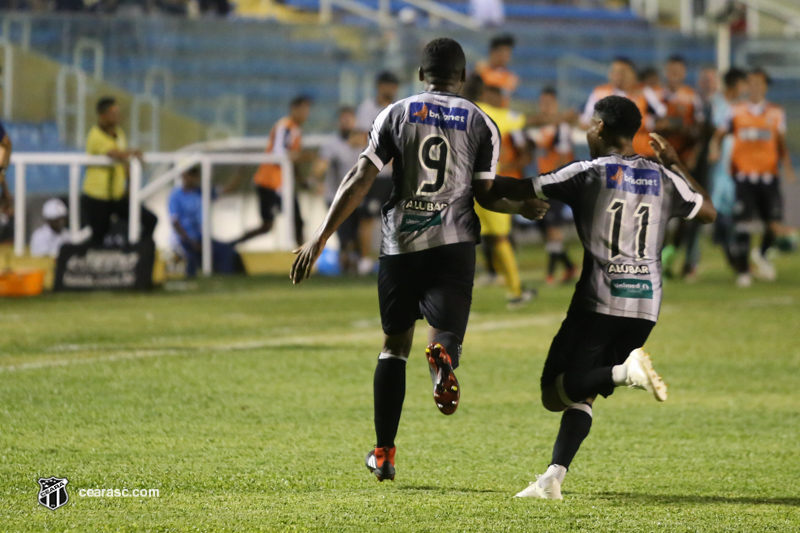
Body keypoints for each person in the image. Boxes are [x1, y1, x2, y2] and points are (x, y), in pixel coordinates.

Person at [290, 38, 548, 482]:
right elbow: (485, 194)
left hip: (400, 246)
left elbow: (360, 178)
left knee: (393, 347)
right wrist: (520, 205)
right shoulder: (481, 121)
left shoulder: (396, 113)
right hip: (454, 244)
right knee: (444, 333)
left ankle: (384, 452)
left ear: (420, 75)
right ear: (463, 77)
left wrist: (319, 237)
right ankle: (443, 355)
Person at [486, 96, 716, 500]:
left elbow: (519, 187)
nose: (587, 131)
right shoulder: (663, 177)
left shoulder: (588, 172)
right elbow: (708, 211)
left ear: (602, 130)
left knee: (554, 391)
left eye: (591, 125)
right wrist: (676, 161)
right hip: (646, 306)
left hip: (599, 302)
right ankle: (552, 477)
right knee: (585, 390)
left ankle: (625, 373)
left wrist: (476, 179)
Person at [711, 68, 796, 286]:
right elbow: (720, 134)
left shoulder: (776, 113)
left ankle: (762, 253)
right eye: (752, 82)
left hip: (769, 176)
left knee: (774, 224)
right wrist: (715, 149)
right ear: (747, 86)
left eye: (760, 83)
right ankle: (743, 271)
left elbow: (780, 143)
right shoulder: (735, 111)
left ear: (765, 87)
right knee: (743, 225)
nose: (756, 86)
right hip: (744, 176)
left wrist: (787, 166)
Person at [464, 74, 535, 308]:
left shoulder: (454, 111)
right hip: (489, 184)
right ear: (483, 92)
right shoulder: (495, 114)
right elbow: (526, 120)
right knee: (500, 238)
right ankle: (515, 292)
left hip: (461, 184)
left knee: (467, 238)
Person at [236, 95, 313, 247]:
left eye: (308, 110)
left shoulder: (296, 130)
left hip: (281, 183)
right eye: (303, 109)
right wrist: (303, 157)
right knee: (270, 225)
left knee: (294, 221)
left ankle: (304, 259)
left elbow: (292, 163)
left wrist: (301, 180)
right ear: (294, 109)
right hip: (269, 182)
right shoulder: (284, 126)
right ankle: (233, 245)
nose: (306, 114)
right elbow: (279, 154)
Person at [81, 97, 157, 247]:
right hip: (97, 196)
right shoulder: (95, 135)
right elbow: (114, 153)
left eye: (117, 112)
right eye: (112, 113)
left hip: (117, 195)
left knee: (150, 219)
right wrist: (133, 153)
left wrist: (129, 186)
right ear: (101, 115)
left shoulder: (120, 133)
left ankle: (140, 252)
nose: (117, 116)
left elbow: (123, 161)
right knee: (98, 237)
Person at [658, 56, 706, 279]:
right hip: (657, 162)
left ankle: (670, 255)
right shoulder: (656, 96)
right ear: (666, 72)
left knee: (684, 213)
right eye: (672, 70)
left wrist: (693, 149)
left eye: (679, 70)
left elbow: (699, 131)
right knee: (660, 213)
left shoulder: (691, 97)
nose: (675, 74)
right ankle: (657, 260)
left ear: (684, 73)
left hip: (683, 163)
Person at [312, 107, 370, 274]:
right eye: (343, 119)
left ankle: (355, 266)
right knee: (346, 237)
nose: (346, 122)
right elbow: (320, 165)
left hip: (358, 196)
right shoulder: (332, 144)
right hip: (337, 198)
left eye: (349, 119)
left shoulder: (365, 143)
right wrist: (315, 180)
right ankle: (346, 267)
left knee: (359, 233)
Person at [530, 87, 577, 285]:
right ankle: (569, 267)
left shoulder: (561, 129)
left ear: (555, 104)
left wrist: (557, 180)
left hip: (556, 183)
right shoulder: (543, 128)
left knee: (552, 227)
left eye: (549, 103)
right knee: (544, 227)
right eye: (543, 103)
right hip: (542, 182)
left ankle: (550, 274)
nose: (545, 107)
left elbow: (565, 158)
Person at [356, 72, 401, 275]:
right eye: (388, 85)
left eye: (394, 85)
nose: (392, 89)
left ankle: (397, 257)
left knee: (399, 216)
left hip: (396, 175)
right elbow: (362, 137)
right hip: (376, 173)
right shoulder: (367, 109)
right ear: (379, 86)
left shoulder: (400, 107)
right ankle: (365, 260)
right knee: (369, 215)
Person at [580, 57, 666, 159]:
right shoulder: (599, 93)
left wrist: (648, 122)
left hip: (642, 155)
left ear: (633, 75)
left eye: (622, 72)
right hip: (610, 157)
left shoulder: (645, 92)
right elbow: (585, 122)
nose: (618, 76)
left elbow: (663, 117)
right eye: (614, 71)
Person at [708, 68, 748, 271]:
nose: (746, 88)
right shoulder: (717, 105)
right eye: (743, 83)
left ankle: (734, 253)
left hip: (737, 165)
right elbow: (714, 132)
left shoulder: (741, 106)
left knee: (732, 211)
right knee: (720, 209)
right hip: (719, 167)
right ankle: (730, 251)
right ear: (735, 84)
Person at [168, 166, 240, 278]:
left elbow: (226, 189)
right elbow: (175, 222)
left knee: (226, 251)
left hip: (201, 238)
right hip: (183, 239)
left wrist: (239, 174)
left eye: (193, 175)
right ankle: (190, 280)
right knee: (190, 258)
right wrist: (189, 240)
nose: (190, 179)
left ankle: (225, 277)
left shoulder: (202, 192)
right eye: (188, 175)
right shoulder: (175, 196)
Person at [475, 34, 518, 108]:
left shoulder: (511, 77)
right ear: (493, 52)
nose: (507, 55)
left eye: (508, 52)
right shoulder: (481, 70)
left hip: (500, 114)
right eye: (503, 51)